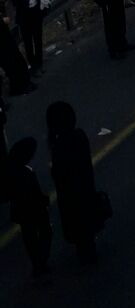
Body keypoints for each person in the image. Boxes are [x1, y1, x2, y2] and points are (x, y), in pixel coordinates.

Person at [46, 101, 101, 264]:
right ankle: (89, 252)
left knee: (77, 225)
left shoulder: (58, 147)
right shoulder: (79, 136)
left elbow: (58, 174)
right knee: (85, 224)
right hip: (84, 189)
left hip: (69, 196)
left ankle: (84, 253)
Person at [7, 137, 51, 277]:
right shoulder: (27, 173)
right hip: (34, 209)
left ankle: (38, 265)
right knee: (44, 233)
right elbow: (34, 193)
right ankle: (40, 264)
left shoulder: (14, 173)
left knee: (30, 236)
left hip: (23, 212)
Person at [8, 0, 46, 75]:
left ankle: (40, 63)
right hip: (24, 17)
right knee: (28, 43)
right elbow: (16, 1)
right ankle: (33, 66)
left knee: (38, 39)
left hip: (35, 12)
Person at [0, 7, 35, 95]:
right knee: (10, 64)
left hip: (5, 37)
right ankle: (18, 87)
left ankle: (25, 83)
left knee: (17, 60)